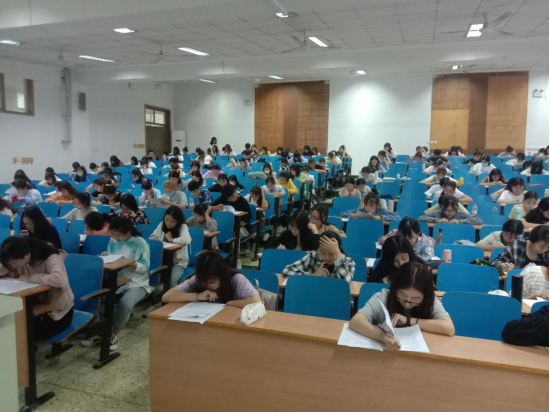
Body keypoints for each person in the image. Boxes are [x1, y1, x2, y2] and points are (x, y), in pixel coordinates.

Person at [350, 262, 455, 350]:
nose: (407, 302)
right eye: (403, 295)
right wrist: (383, 337)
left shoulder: (430, 300)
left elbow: (449, 328)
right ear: (395, 288)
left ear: (425, 295)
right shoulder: (384, 297)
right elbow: (356, 321)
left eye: (415, 299)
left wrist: (408, 320)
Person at [82, 217, 150, 350]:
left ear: (128, 232)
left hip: (137, 282)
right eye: (113, 234)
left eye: (119, 235)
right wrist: (106, 255)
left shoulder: (140, 243)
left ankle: (114, 333)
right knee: (92, 295)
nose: (116, 238)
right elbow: (113, 256)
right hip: (116, 280)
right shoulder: (113, 240)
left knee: (125, 303)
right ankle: (99, 329)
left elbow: (145, 267)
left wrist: (131, 263)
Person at [0, 237, 74, 339]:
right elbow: (14, 277)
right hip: (35, 307)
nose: (13, 266)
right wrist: (3, 272)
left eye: (15, 263)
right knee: (10, 328)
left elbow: (59, 279)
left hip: (57, 314)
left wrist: (32, 278)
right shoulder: (20, 260)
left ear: (27, 255)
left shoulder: (52, 257)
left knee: (20, 334)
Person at [162, 251, 261, 307]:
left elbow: (256, 301)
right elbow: (166, 297)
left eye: (212, 283)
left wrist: (229, 303)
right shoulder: (199, 279)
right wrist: (197, 296)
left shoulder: (236, 279)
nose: (207, 286)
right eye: (204, 283)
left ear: (222, 275)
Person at [282, 232, 355, 283]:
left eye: (331, 254)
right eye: (323, 253)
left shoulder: (348, 262)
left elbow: (345, 282)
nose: (326, 257)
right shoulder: (313, 256)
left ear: (339, 250)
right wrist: (312, 275)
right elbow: (287, 270)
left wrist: (337, 255)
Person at [150, 206, 190, 287]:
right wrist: (153, 237)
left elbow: (187, 240)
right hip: (162, 259)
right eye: (167, 219)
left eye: (172, 222)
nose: (168, 223)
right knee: (148, 273)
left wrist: (172, 239)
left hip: (178, 261)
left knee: (172, 279)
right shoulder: (161, 224)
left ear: (178, 221)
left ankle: (173, 294)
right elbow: (153, 235)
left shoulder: (182, 227)